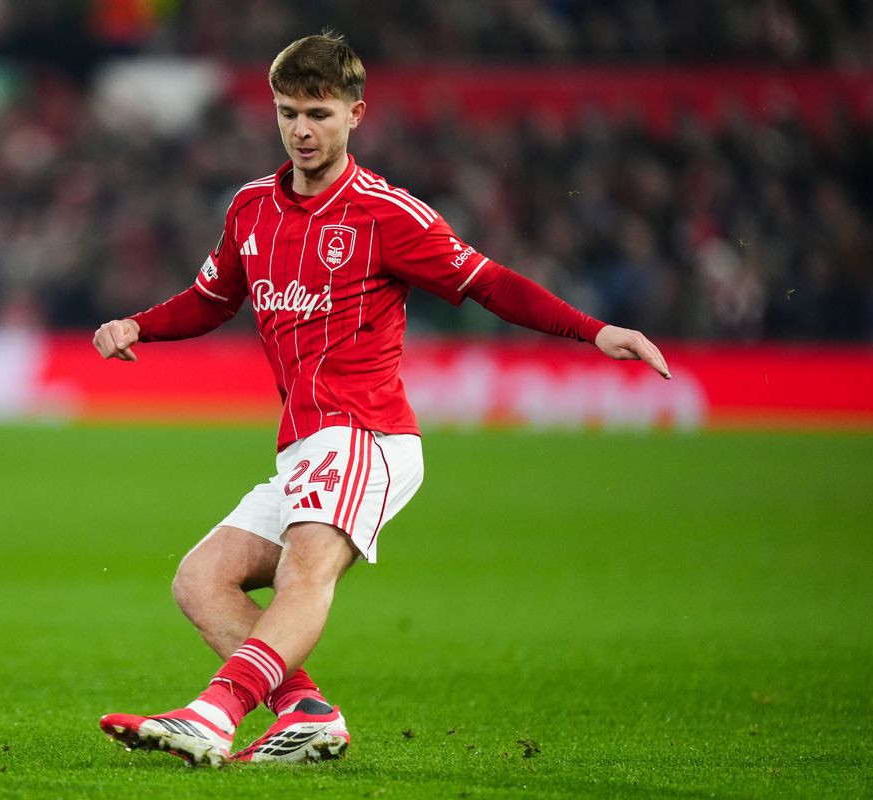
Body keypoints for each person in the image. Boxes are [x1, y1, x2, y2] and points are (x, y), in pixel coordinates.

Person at [92, 31, 670, 767]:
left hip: (366, 433)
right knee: (201, 581)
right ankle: (307, 712)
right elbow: (212, 299)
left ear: (355, 114)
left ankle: (215, 713)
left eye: (319, 113)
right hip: (303, 441)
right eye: (287, 112)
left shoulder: (385, 214)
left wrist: (595, 332)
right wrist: (137, 324)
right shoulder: (249, 209)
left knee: (307, 570)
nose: (301, 129)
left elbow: (486, 282)